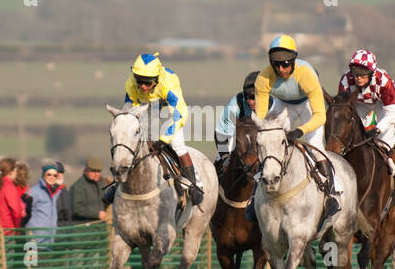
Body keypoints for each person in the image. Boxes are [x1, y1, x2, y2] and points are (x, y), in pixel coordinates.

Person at [252, 35, 338, 214]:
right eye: (276, 65)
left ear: (294, 61)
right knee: (268, 144)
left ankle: (332, 194)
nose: (281, 69)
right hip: (283, 104)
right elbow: (260, 119)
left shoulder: (306, 74)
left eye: (286, 64)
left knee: (315, 146)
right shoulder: (263, 78)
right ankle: (255, 197)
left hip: (308, 106)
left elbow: (320, 115)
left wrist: (299, 131)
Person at [110, 52, 203, 206]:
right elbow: (129, 110)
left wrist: (163, 140)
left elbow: (179, 115)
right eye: (140, 82)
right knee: (125, 140)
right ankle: (117, 182)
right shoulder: (131, 83)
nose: (143, 86)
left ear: (157, 79)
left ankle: (194, 184)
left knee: (177, 145)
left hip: (170, 113)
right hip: (146, 110)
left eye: (148, 83)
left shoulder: (169, 82)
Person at [337, 49, 395, 193]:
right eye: (355, 72)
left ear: (372, 73)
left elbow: (393, 111)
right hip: (358, 104)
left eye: (362, 73)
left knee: (386, 140)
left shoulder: (383, 81)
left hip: (381, 105)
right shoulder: (346, 80)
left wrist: (378, 129)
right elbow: (344, 107)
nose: (358, 77)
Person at [214, 71, 260, 173]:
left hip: (259, 138)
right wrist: (225, 156)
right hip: (234, 137)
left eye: (254, 97)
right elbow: (222, 134)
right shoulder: (234, 107)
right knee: (224, 164)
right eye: (247, 97)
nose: (250, 102)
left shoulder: (273, 104)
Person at [0, 158, 27, 232]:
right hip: (8, 230)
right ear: (11, 172)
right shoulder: (9, 186)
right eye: (16, 171)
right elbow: (16, 211)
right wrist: (17, 229)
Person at [70, 158, 108, 223]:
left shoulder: (103, 183)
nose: (96, 174)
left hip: (101, 227)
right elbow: (77, 209)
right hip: (84, 229)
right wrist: (97, 214)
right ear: (86, 170)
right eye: (93, 171)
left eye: (98, 171)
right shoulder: (78, 186)